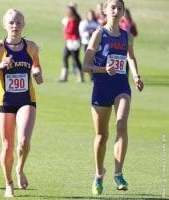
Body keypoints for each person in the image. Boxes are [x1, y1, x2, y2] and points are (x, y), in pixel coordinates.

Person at [82, 0, 144, 195]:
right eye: (113, 8)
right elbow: (85, 66)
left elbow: (130, 57)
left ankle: (118, 174)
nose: (116, 11)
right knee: (101, 136)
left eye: (120, 8)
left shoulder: (127, 36)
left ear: (124, 11)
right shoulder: (99, 34)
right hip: (101, 88)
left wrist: (135, 76)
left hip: (121, 86)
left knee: (121, 124)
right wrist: (103, 69)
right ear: (105, 11)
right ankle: (99, 174)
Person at [0, 9, 43, 198]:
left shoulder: (31, 47)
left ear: (23, 24)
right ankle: (8, 183)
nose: (14, 26)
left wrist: (37, 73)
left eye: (18, 23)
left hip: (26, 100)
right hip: (6, 102)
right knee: (7, 146)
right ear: (4, 25)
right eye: (11, 23)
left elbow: (37, 67)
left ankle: (20, 168)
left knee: (23, 140)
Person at [58, 4, 84, 83]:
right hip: (69, 41)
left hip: (74, 42)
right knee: (65, 57)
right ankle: (64, 76)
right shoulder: (69, 19)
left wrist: (65, 29)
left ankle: (80, 77)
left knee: (75, 59)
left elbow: (71, 30)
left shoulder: (75, 20)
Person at [119, 8, 138, 76]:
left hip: (128, 42)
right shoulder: (120, 22)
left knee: (128, 58)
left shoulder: (131, 23)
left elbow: (135, 33)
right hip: (120, 41)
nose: (125, 15)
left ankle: (126, 74)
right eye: (124, 14)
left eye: (126, 14)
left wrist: (130, 35)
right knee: (122, 57)